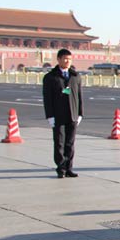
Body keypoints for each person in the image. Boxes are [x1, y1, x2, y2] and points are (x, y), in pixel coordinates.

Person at [42, 48, 83, 178]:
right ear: (58, 59)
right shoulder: (50, 77)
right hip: (58, 115)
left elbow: (79, 96)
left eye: (70, 59)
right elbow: (47, 99)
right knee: (59, 142)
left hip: (72, 114)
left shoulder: (75, 76)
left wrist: (80, 113)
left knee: (70, 143)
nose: (67, 61)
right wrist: (50, 116)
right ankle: (61, 168)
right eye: (65, 58)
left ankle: (69, 167)